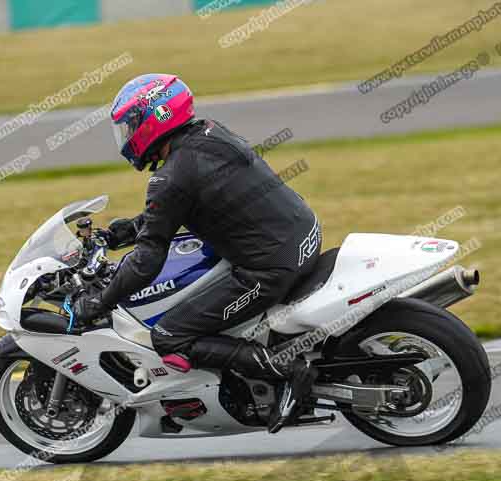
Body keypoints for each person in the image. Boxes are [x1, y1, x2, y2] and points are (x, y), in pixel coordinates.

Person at [73, 73, 321, 433]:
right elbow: (184, 205)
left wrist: (101, 301)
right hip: (303, 235)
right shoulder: (209, 132)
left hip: (269, 269)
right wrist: (124, 230)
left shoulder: (169, 177)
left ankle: (288, 371)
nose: (126, 137)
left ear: (153, 120)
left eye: (129, 126)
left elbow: (147, 261)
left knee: (170, 334)